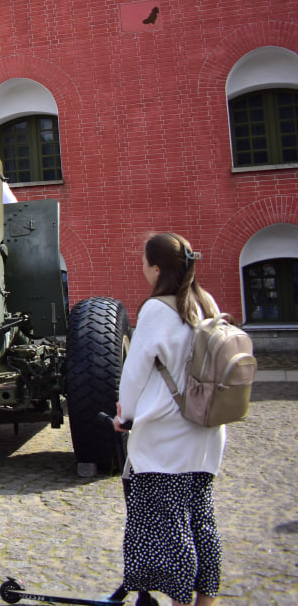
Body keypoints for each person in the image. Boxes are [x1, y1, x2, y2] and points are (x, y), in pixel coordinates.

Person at [113, 233, 226, 606]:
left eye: (145, 263)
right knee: (201, 520)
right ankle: (205, 601)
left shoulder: (157, 310)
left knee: (170, 528)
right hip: (207, 431)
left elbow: (134, 373)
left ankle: (178, 602)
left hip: (166, 436)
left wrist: (125, 415)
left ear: (157, 268)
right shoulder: (205, 302)